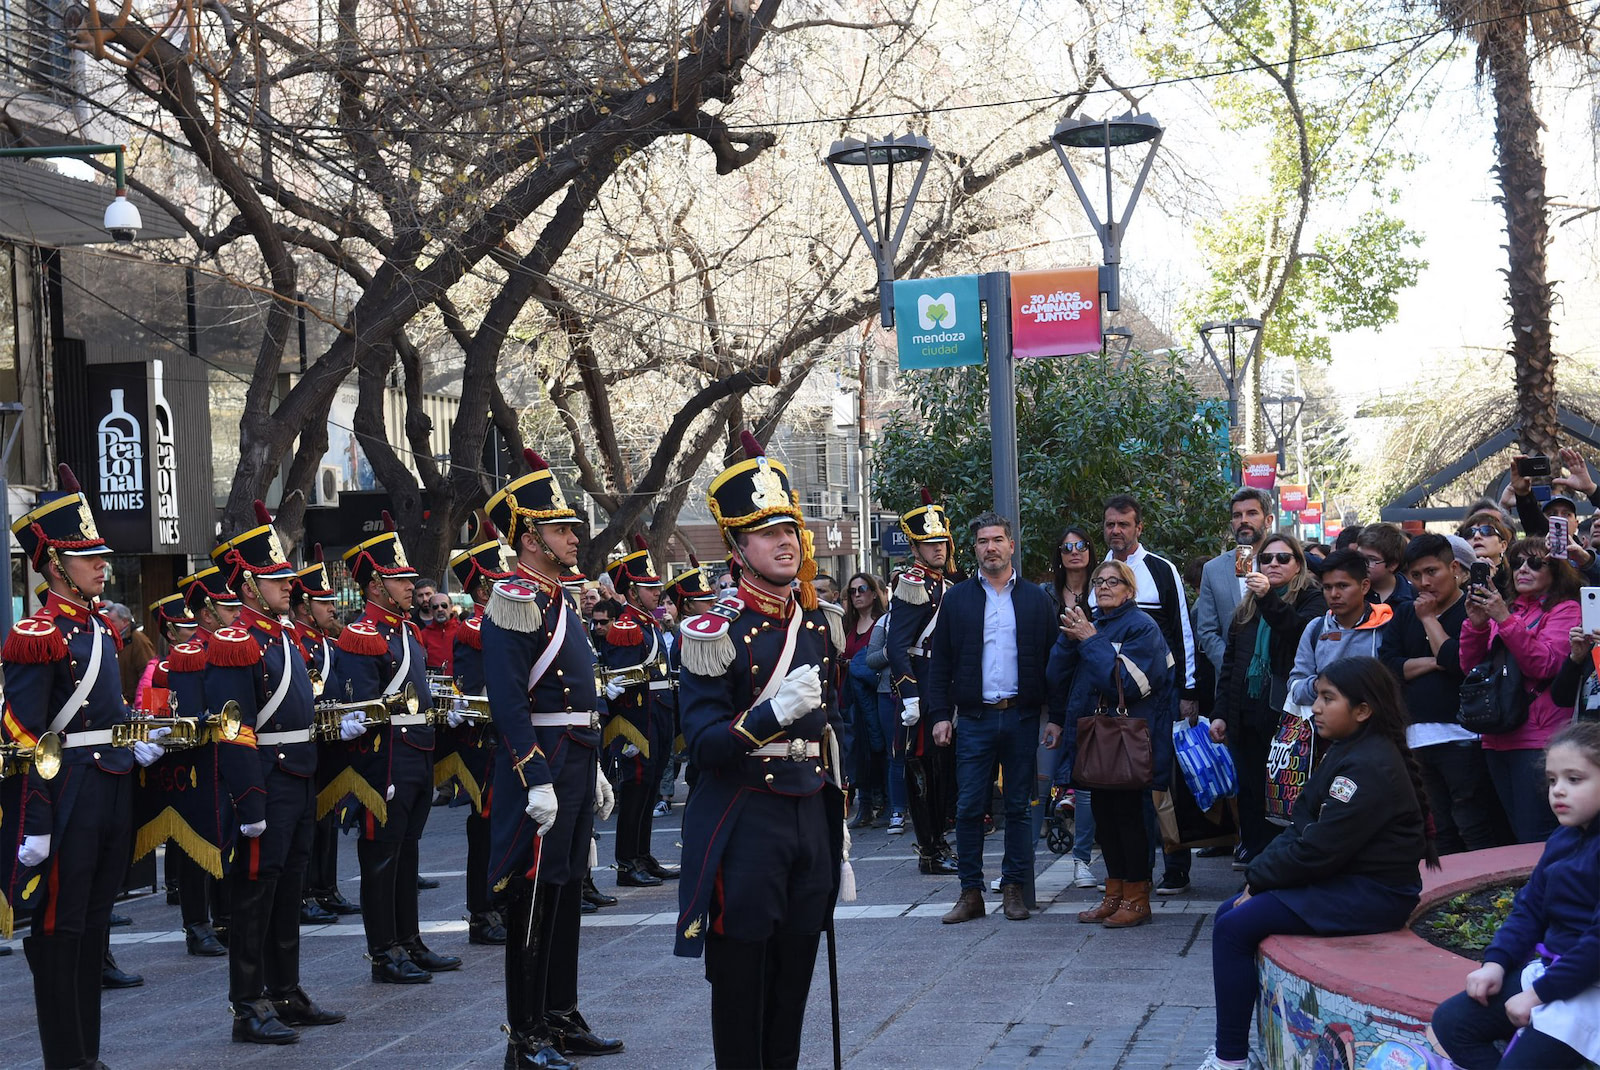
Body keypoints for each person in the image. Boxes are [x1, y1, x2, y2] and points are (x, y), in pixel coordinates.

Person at [673, 430, 846, 1069]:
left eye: (789, 529)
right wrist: (773, 713)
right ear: (738, 547)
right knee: (742, 980)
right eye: (767, 532)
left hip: (809, 812)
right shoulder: (712, 632)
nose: (785, 541)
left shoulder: (817, 621)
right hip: (746, 817)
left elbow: (831, 727)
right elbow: (703, 745)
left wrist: (837, 811)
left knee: (795, 976)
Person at [0, 464, 168, 1070]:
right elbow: (23, 736)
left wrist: (135, 739)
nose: (102, 566)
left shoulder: (99, 627)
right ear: (53, 564)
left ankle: (87, 1058)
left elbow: (107, 709)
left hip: (110, 787)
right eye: (87, 557)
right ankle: (66, 1060)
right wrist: (36, 822)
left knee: (94, 926)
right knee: (60, 927)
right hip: (65, 793)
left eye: (101, 556)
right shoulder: (37, 633)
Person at [1198, 656, 1439, 1070]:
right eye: (1318, 697)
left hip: (1373, 895)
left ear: (1362, 711)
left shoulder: (1368, 765)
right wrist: (1257, 878)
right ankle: (1233, 1050)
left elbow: (1319, 850)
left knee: (1235, 927)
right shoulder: (1348, 750)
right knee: (1229, 914)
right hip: (1344, 879)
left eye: (1329, 699)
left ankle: (1229, 1061)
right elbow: (1301, 828)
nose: (1316, 707)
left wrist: (1259, 879)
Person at [481, 449, 622, 1068]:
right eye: (561, 529)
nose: (573, 537)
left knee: (564, 889)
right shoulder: (515, 597)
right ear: (530, 539)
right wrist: (535, 775)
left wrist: (592, 766)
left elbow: (576, 695)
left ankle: (560, 1014)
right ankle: (526, 1033)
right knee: (533, 896)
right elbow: (510, 703)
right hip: (541, 763)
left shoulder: (558, 597)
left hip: (575, 755)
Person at [208, 501, 349, 1044]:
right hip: (266, 780)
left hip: (298, 775)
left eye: (287, 576)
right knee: (254, 896)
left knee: (289, 888)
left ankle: (285, 990)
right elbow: (234, 728)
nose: (289, 585)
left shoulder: (284, 635)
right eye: (275, 578)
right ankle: (248, 1004)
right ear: (248, 586)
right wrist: (249, 800)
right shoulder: (235, 643)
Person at [326, 515, 457, 983]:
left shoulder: (406, 631)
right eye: (399, 580)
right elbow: (362, 708)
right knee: (381, 859)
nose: (409, 587)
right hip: (385, 761)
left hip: (416, 752)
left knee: (408, 853)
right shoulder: (362, 636)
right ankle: (384, 951)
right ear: (376, 586)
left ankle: (409, 940)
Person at [1430, 720, 1600, 1070]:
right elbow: (1530, 908)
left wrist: (1537, 995)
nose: (1558, 791)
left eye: (1574, 779)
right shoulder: (1564, 838)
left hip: (1590, 989)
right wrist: (1496, 963)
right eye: (1552, 780)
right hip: (1553, 976)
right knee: (1452, 1022)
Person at [926, 511, 1061, 924]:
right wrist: (939, 714)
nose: (991, 548)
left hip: (1021, 717)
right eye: (983, 541)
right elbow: (940, 661)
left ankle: (1014, 890)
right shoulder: (958, 599)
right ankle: (971, 893)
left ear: (1011, 545)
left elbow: (1053, 662)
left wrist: (1055, 717)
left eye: (998, 540)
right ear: (975, 549)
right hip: (974, 718)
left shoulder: (1036, 599)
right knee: (968, 807)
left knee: (1019, 807)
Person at [1055, 559, 1176, 929]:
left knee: (1130, 819)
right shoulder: (1093, 624)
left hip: (1130, 741)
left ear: (1130, 589)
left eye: (1113, 581)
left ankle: (1137, 899)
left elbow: (1128, 684)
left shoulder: (1142, 626)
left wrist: (1090, 640)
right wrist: (1068, 640)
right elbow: (1054, 676)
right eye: (1099, 581)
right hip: (1096, 739)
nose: (1104, 586)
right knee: (1105, 820)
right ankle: (1115, 894)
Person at [1379, 534, 1508, 853]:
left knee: (1472, 823)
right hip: (1418, 737)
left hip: (1463, 736)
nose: (1424, 582)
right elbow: (1389, 666)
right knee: (1439, 828)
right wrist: (1435, 660)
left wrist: (1428, 621)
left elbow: (1457, 662)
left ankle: (1487, 883)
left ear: (1454, 568)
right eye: (1415, 575)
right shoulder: (1405, 613)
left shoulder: (1472, 610)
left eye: (1431, 571)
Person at [1100, 493, 1199, 896]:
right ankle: (1132, 873)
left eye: (1124, 524)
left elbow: (1183, 631)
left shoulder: (1161, 569)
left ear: (1139, 527)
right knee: (1125, 787)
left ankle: (1176, 866)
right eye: (1110, 524)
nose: (1116, 531)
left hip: (1161, 697)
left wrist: (1189, 689)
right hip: (1115, 701)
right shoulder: (1101, 573)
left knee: (1163, 782)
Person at [1210, 533, 1325, 864]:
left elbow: (1298, 632)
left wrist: (1268, 599)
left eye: (1283, 558)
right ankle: (1255, 860)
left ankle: (1279, 862)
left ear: (1298, 564)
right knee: (1249, 791)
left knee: (1282, 791)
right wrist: (1220, 713)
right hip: (1245, 712)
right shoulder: (1247, 606)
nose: (1273, 564)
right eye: (1266, 559)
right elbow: (1231, 664)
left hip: (1285, 717)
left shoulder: (1311, 598)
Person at [1460, 536, 1583, 843]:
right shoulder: (1508, 608)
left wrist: (1503, 619)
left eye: (1535, 563)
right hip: (1497, 735)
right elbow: (1472, 668)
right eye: (1516, 563)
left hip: (1539, 738)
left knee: (1536, 836)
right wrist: (1476, 626)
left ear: (1556, 570)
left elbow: (1544, 665)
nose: (1523, 569)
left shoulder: (1566, 610)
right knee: (1517, 834)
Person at [443, 523, 516, 946]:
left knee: (506, 826)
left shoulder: (502, 624)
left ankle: (501, 902)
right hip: (484, 742)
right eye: (500, 580)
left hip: (506, 739)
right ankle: (482, 911)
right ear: (485, 589)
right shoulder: (474, 628)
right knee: (485, 829)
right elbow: (471, 692)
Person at [886, 488, 960, 876]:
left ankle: (940, 841)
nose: (938, 549)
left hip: (945, 687)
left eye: (941, 542)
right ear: (914, 548)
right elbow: (897, 647)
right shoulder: (912, 583)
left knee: (943, 772)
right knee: (923, 772)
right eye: (929, 543)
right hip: (924, 688)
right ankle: (929, 849)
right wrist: (910, 694)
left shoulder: (946, 583)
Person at [599, 535, 679, 887]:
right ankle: (627, 862)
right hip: (637, 722)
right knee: (635, 791)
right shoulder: (626, 627)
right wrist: (627, 734)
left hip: (657, 717)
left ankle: (643, 856)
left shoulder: (647, 623)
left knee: (648, 790)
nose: (658, 592)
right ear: (632, 592)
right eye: (649, 588)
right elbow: (621, 684)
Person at [292, 546, 360, 924]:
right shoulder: (297, 641)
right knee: (309, 822)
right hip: (310, 740)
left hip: (332, 739)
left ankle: (326, 887)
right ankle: (304, 893)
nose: (332, 608)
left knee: (328, 818)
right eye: (324, 602)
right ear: (304, 607)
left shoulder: (326, 642)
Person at [1043, 525, 1099, 888]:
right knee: (1041, 780)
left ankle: (1082, 859)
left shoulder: (1104, 586)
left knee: (1088, 783)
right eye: (1067, 548)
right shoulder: (1046, 594)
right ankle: (1020, 869)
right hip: (1053, 695)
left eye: (1080, 545)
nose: (1074, 552)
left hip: (1094, 694)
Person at [1287, 549, 1394, 707]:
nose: (1334, 594)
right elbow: (1296, 686)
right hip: (1324, 721)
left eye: (1343, 586)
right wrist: (1319, 686)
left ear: (1364, 586)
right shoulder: (1316, 628)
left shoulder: (1386, 626)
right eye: (1327, 587)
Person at [1195, 488, 1275, 687]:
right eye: (1237, 515)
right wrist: (1232, 667)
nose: (1243, 520)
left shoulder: (1285, 562)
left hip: (1277, 678)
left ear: (1268, 520)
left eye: (1252, 513)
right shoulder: (1213, 569)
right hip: (1230, 684)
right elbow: (1207, 630)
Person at [842, 572, 888, 829]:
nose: (857, 595)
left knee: (878, 746)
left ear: (873, 592)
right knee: (856, 748)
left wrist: (858, 665)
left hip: (876, 693)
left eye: (862, 589)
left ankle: (885, 802)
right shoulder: (846, 624)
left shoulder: (882, 622)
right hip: (851, 697)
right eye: (852, 591)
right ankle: (866, 804)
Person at [1355, 523, 1416, 607]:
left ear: (1393, 565)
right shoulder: (1351, 592)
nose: (1363, 563)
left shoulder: (1413, 597)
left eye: (1372, 559)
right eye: (1359, 556)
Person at [1460, 510, 1515, 598]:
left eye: (1486, 531)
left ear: (1503, 546)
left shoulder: (1514, 578)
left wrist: (1493, 581)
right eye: (1470, 532)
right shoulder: (1457, 578)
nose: (1476, 536)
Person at [416, 582, 460, 671]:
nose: (440, 609)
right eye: (435, 607)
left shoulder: (462, 631)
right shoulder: (423, 635)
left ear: (451, 607)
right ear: (431, 611)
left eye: (444, 605)